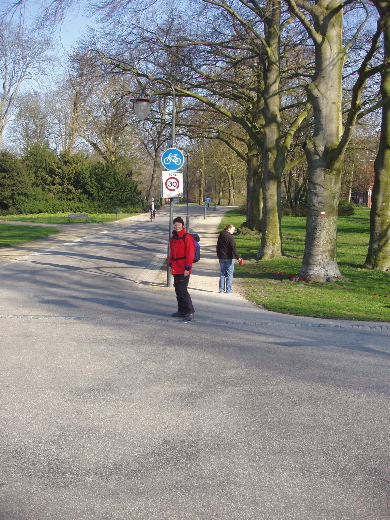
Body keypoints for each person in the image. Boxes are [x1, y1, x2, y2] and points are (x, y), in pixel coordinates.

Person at [169, 216, 196, 321]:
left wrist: (187, 267)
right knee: (177, 290)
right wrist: (170, 262)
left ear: (182, 225)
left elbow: (190, 253)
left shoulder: (187, 237)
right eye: (175, 225)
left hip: (184, 267)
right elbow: (172, 251)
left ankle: (190, 311)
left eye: (178, 225)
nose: (176, 226)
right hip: (176, 267)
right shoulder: (174, 238)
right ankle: (181, 310)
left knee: (183, 290)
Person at [216, 224, 242, 293]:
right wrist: (238, 257)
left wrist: (219, 255)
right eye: (233, 229)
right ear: (229, 229)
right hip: (229, 257)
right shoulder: (230, 237)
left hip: (222, 257)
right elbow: (234, 248)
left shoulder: (220, 236)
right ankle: (228, 290)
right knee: (229, 274)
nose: (234, 231)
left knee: (222, 273)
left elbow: (218, 247)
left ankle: (221, 289)